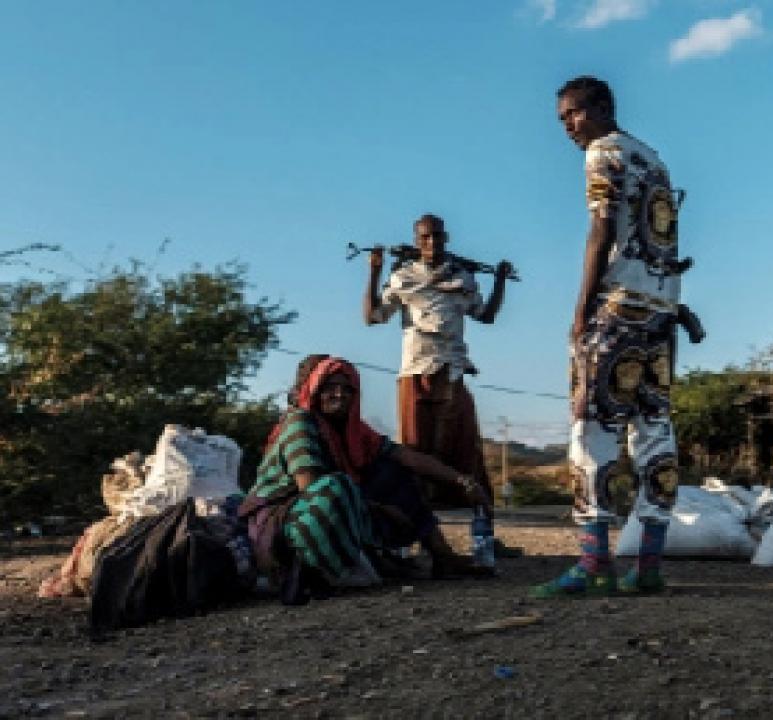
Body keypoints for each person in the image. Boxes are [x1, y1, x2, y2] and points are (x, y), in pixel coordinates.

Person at [532, 76, 703, 598]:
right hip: (659, 315)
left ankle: (592, 565)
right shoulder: (652, 158)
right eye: (561, 119)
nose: (568, 127)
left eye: (575, 114)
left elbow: (601, 228)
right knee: (654, 429)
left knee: (591, 429)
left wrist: (581, 308)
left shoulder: (603, 153)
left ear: (604, 107)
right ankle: (648, 566)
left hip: (616, 312)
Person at [239, 354, 492, 604]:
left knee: (392, 472)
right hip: (284, 523)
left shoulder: (353, 432)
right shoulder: (300, 422)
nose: (339, 394)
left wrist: (461, 480)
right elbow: (312, 487)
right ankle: (300, 569)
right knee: (336, 488)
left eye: (346, 389)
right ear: (314, 390)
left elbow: (406, 456)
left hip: (335, 510)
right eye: (330, 387)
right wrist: (381, 510)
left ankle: (442, 555)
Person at [363, 214, 516, 557]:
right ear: (417, 242)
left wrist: (501, 281)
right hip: (415, 375)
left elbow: (486, 315)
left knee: (466, 452)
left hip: (453, 372)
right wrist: (374, 272)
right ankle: (406, 544)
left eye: (437, 237)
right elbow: (372, 317)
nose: (431, 243)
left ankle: (483, 543)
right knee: (413, 455)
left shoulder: (462, 278)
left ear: (446, 238)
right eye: (425, 238)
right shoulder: (402, 278)